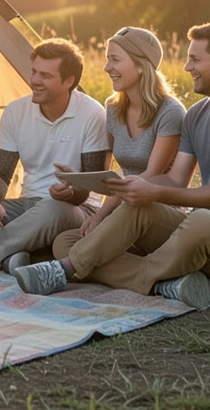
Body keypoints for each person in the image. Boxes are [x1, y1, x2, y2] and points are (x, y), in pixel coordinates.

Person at [12, 22, 210, 310]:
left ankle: (65, 271)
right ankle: (166, 284)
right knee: (69, 241)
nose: (186, 67)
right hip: (200, 229)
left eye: (195, 59)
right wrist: (133, 188)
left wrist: (153, 192)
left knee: (199, 221)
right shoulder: (195, 116)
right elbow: (176, 180)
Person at [0, 38, 111, 272]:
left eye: (45, 76)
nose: (34, 81)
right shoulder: (16, 112)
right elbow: (0, 172)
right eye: (34, 72)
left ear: (68, 81)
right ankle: (8, 255)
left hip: (70, 209)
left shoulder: (92, 114)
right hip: (25, 207)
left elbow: (90, 186)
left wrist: (72, 189)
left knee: (51, 209)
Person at [50, 27, 185, 262]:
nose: (106, 67)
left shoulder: (170, 112)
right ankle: (148, 270)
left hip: (154, 210)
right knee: (64, 243)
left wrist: (104, 217)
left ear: (141, 65)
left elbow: (150, 176)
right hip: (123, 207)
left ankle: (111, 260)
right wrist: (85, 193)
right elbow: (108, 176)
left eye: (115, 60)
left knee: (85, 249)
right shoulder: (113, 108)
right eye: (107, 59)